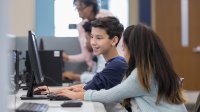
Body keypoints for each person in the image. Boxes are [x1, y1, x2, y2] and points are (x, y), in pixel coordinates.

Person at [55, 24, 187, 112]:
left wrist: (77, 95)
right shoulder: (156, 69)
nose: (123, 54)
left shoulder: (142, 75)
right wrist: (83, 88)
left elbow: (109, 96)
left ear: (133, 50)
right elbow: (120, 91)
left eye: (124, 49)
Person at [36, 16, 127, 93]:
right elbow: (90, 84)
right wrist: (53, 90)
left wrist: (57, 91)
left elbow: (89, 87)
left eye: (98, 38)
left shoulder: (117, 63)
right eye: (91, 37)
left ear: (114, 40)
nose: (93, 42)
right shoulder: (111, 62)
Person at [63, 0, 113, 71]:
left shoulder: (105, 17)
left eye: (81, 8)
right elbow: (88, 50)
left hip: (111, 62)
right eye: (77, 9)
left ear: (90, 6)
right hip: (96, 66)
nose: (79, 13)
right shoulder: (82, 25)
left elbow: (105, 45)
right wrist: (67, 58)